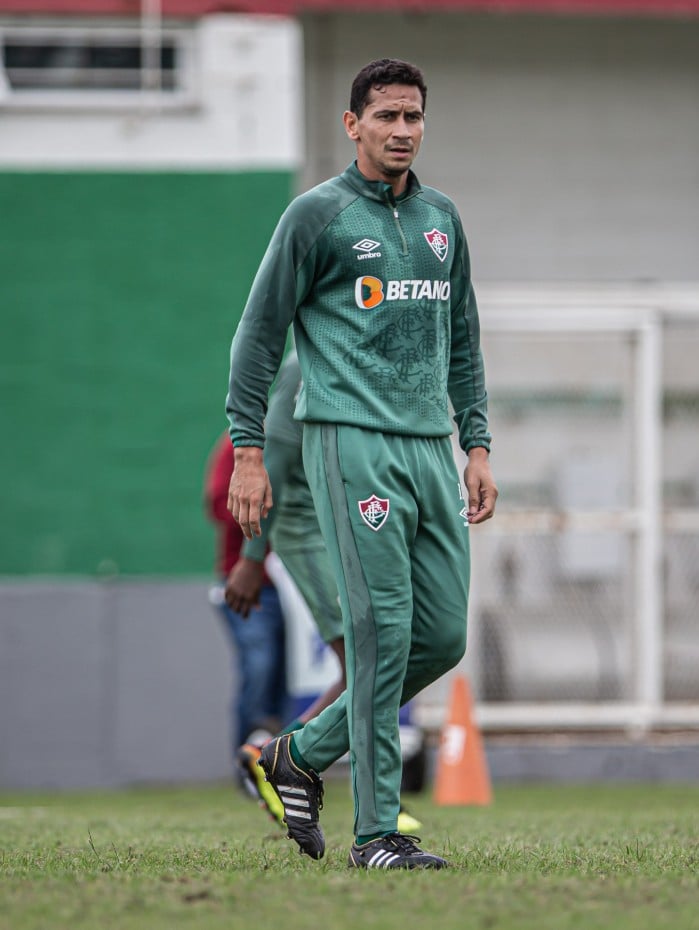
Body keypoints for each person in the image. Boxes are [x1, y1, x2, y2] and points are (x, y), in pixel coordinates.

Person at [225, 58, 497, 870]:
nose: (401, 130)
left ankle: (296, 753)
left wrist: (476, 444)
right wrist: (247, 450)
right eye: (385, 116)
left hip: (428, 448)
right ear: (353, 125)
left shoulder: (443, 217)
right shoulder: (317, 216)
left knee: (441, 635)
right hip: (350, 440)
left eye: (412, 116)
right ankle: (376, 835)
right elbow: (258, 335)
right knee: (377, 632)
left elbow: (465, 344)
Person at [226, 348, 424, 836]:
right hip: (303, 528)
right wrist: (252, 561)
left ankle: (276, 757)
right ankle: (370, 802)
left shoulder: (370, 355)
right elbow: (270, 457)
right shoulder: (302, 365)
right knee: (366, 660)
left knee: (371, 663)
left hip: (343, 520)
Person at [203, 433, 289, 782]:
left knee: (284, 677)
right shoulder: (238, 445)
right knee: (260, 664)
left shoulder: (305, 440)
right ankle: (248, 761)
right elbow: (218, 504)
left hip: (299, 584)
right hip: (253, 585)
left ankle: (282, 761)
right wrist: (267, 504)